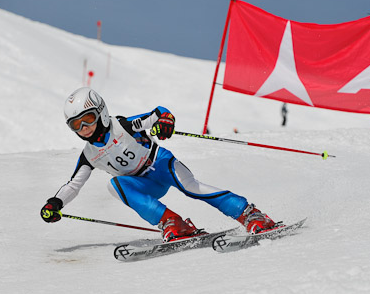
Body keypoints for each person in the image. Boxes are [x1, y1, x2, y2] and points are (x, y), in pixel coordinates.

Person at [40, 87, 277, 242]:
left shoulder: (121, 125)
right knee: (115, 185)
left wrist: (164, 122)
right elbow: (73, 185)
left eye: (88, 119)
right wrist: (55, 203)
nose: (84, 129)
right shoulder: (89, 155)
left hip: (161, 165)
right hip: (143, 185)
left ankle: (249, 214)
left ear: (101, 113)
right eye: (76, 125)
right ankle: (172, 223)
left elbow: (158, 113)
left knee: (191, 188)